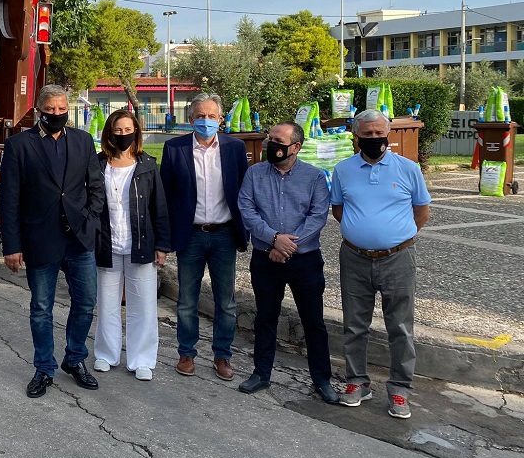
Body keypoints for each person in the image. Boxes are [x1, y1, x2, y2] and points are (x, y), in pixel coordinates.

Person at [0, 84, 105, 398]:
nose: (57, 114)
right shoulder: (19, 145)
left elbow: (96, 187)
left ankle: (75, 359)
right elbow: (9, 199)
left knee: (85, 302)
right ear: (38, 111)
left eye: (62, 109)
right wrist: (12, 246)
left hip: (79, 239)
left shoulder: (83, 141)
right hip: (40, 238)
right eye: (50, 110)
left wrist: (90, 219)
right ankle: (44, 368)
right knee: (41, 308)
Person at [331, 109, 430, 418]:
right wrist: (363, 233)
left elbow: (421, 212)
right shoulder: (343, 170)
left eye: (378, 133)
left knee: (400, 326)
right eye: (367, 134)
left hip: (398, 258)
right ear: (356, 136)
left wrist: (394, 237)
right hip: (354, 258)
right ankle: (357, 382)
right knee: (354, 324)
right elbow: (338, 210)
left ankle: (400, 389)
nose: (374, 138)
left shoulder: (408, 168)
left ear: (387, 134)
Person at [237, 122, 338, 403]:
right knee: (265, 317)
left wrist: (287, 246)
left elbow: (317, 217)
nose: (270, 145)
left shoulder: (314, 177)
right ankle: (261, 373)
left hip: (305, 261)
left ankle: (322, 379)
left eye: (278, 141)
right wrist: (273, 240)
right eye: (269, 139)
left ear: (295, 147)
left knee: (313, 321)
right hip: (265, 258)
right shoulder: (254, 173)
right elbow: (247, 209)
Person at [160, 93, 248, 381]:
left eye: (211, 116)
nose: (206, 121)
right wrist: (165, 239)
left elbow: (243, 192)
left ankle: (223, 356)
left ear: (221, 120)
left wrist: (245, 231)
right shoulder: (174, 149)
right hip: (191, 235)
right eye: (200, 116)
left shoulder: (235, 148)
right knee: (187, 300)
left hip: (224, 234)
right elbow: (166, 196)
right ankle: (186, 353)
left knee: (226, 302)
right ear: (190, 120)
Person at [94, 110, 170, 381]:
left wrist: (162, 245)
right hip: (107, 244)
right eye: (118, 130)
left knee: (143, 305)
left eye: (128, 130)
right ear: (109, 132)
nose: (123, 134)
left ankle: (142, 360)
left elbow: (159, 207)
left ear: (136, 132)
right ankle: (106, 354)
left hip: (141, 244)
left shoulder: (147, 165)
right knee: (107, 304)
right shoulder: (98, 164)